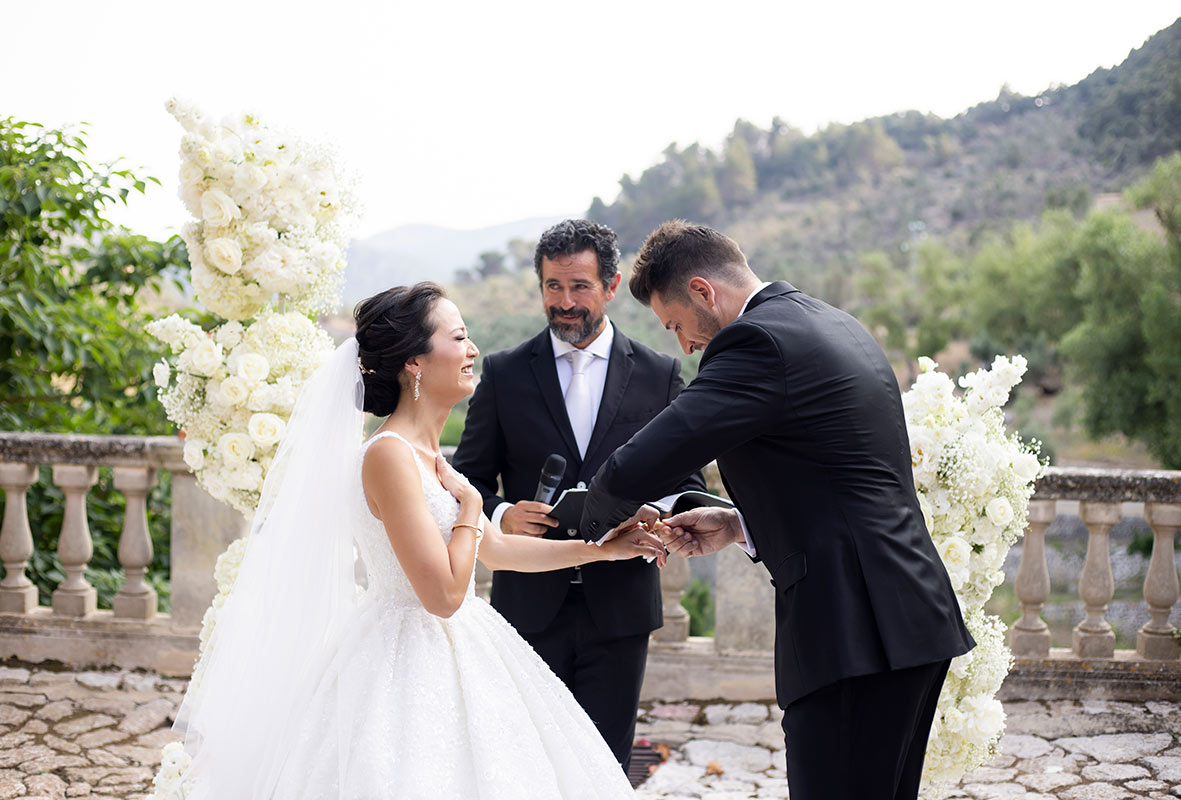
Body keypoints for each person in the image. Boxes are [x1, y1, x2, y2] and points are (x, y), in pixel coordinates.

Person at [171, 282, 654, 799]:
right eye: (459, 337)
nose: (473, 351)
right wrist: (472, 507)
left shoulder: (429, 454)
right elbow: (443, 596)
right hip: (403, 658)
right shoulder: (388, 456)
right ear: (415, 363)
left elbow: (497, 550)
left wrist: (602, 549)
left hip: (470, 644)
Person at [578, 221, 975, 800]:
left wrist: (588, 520)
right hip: (909, 616)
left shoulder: (756, 342)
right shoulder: (834, 322)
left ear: (703, 292)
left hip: (853, 629)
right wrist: (738, 523)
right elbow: (838, 480)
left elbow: (658, 451)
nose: (684, 345)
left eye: (676, 325)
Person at [452, 219, 705, 770]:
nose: (564, 302)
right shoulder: (504, 373)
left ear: (611, 287)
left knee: (603, 765)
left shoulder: (660, 376)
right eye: (552, 287)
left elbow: (688, 484)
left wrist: (655, 513)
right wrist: (499, 514)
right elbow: (465, 477)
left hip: (621, 610)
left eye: (580, 287)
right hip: (526, 607)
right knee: (524, 763)